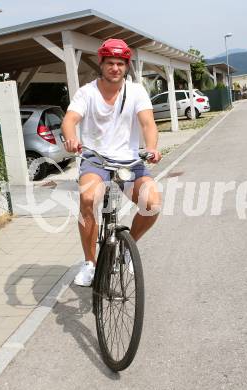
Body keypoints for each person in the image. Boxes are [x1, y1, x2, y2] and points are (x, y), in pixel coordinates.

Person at [62, 38, 161, 287]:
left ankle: (129, 247)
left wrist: (151, 148)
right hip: (95, 160)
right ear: (101, 64)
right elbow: (70, 119)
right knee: (87, 200)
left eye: (120, 63)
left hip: (129, 161)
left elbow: (148, 123)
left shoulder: (136, 91)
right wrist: (72, 138)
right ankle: (89, 264)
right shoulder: (87, 92)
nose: (115, 68)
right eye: (110, 63)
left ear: (126, 66)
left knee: (152, 204)